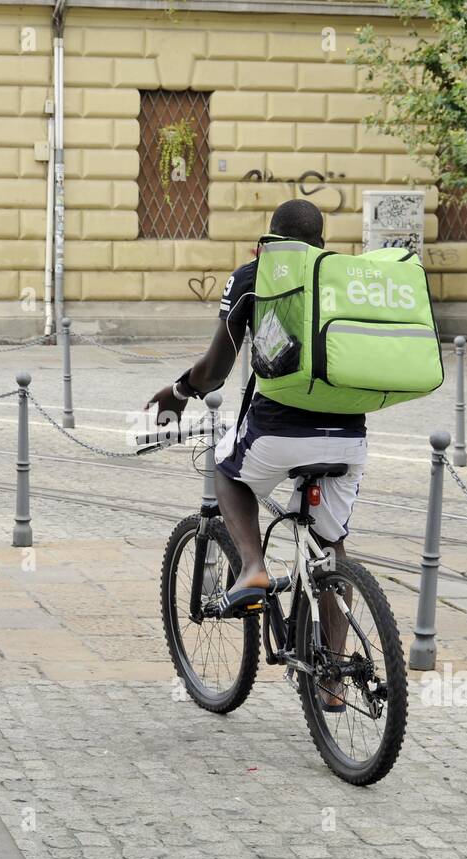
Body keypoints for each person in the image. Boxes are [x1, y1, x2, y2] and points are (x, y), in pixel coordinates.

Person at [145, 200, 365, 705]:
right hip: (350, 435)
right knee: (331, 548)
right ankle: (332, 678)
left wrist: (178, 393)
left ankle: (252, 567)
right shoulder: (345, 278)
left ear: (270, 239)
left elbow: (216, 369)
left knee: (228, 474)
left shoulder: (254, 275)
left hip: (278, 429)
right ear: (321, 242)